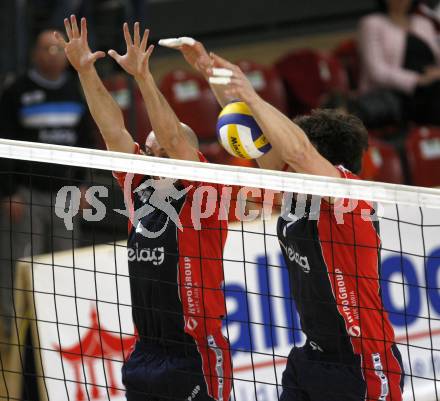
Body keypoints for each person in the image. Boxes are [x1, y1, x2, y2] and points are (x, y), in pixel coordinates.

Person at [172, 42, 404, 400]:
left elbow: (297, 149)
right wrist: (212, 73)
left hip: (361, 362)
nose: (285, 153)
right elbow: (249, 129)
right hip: (311, 357)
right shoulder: (294, 188)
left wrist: (250, 91)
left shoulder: (348, 195)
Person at [56, 16, 232, 401]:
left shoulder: (203, 187)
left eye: (161, 153)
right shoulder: (139, 186)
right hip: (146, 353)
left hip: (195, 350)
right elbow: (113, 132)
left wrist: (143, 77)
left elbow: (172, 136)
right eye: (149, 153)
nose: (152, 159)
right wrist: (86, 71)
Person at [0, 28, 93, 340]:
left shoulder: (76, 88)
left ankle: (64, 330)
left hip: (66, 196)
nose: (54, 55)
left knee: (66, 263)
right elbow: (4, 146)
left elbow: (85, 141)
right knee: (21, 264)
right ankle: (17, 332)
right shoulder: (16, 91)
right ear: (35, 54)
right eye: (47, 49)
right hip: (27, 196)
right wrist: (9, 192)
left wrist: (82, 186)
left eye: (59, 50)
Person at [358, 0, 440, 125]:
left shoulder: (424, 23)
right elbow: (376, 71)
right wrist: (417, 80)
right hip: (394, 91)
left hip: (431, 85)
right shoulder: (372, 23)